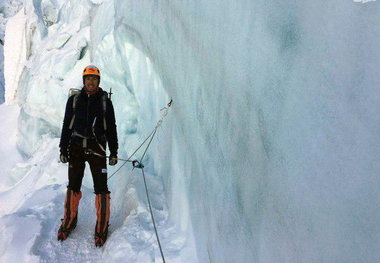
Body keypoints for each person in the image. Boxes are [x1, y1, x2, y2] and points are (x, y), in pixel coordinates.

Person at [57, 65, 118, 247]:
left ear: (99, 81)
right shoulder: (75, 100)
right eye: (88, 79)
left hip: (97, 147)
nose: (91, 82)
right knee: (73, 184)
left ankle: (101, 226)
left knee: (101, 187)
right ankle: (69, 220)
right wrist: (63, 148)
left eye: (94, 79)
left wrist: (114, 151)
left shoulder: (105, 102)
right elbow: (67, 124)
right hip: (76, 147)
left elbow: (111, 128)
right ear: (84, 81)